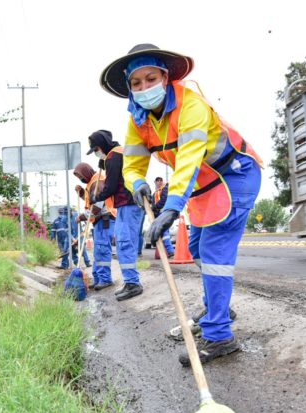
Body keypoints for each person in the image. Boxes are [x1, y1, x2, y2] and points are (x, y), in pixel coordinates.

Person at [99, 44, 262, 366]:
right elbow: (132, 166)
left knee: (215, 253)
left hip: (234, 176)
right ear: (130, 88)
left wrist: (171, 209)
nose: (145, 88)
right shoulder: (138, 119)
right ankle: (218, 308)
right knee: (200, 249)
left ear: (165, 76)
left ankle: (219, 336)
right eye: (137, 83)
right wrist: (138, 184)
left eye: (151, 78)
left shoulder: (191, 105)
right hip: (204, 185)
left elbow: (187, 161)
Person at [87, 129, 143, 301]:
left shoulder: (113, 156)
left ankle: (133, 283)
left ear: (101, 145)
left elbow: (110, 187)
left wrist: (97, 197)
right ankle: (130, 281)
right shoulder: (118, 153)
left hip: (128, 203)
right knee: (124, 243)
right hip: (128, 204)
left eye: (96, 149)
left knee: (125, 243)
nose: (97, 153)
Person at [74, 162, 115, 290]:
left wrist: (81, 217)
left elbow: (96, 207)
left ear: (86, 172)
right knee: (98, 252)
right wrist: (81, 193)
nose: (81, 179)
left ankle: (105, 279)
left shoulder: (98, 182)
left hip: (104, 220)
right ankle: (98, 279)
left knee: (102, 250)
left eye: (81, 176)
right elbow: (91, 202)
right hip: (99, 222)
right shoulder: (92, 183)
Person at [152, 176, 175, 257]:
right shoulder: (155, 193)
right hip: (158, 213)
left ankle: (170, 250)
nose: (159, 182)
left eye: (160, 180)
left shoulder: (165, 189)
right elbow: (152, 203)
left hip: (163, 212)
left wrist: (154, 207)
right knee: (162, 233)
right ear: (155, 182)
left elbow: (163, 200)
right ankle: (164, 252)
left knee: (165, 232)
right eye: (157, 181)